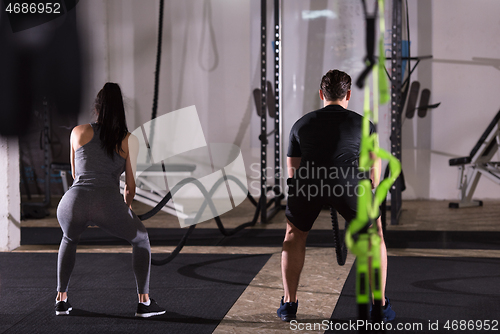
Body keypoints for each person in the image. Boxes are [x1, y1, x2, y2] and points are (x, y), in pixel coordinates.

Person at [277, 70, 395, 322]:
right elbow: (374, 176)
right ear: (348, 94)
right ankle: (380, 306)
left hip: (308, 185)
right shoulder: (364, 124)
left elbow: (293, 173)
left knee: (293, 235)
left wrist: (315, 193)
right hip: (350, 186)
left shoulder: (301, 124)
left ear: (321, 94)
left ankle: (289, 304)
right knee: (375, 236)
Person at [55, 82, 165, 318]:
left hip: (71, 202)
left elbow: (76, 175)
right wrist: (124, 210)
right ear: (120, 111)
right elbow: (130, 187)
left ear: (97, 108)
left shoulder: (78, 132)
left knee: (69, 238)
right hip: (107, 202)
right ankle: (144, 303)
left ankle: (61, 300)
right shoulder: (128, 139)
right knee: (141, 239)